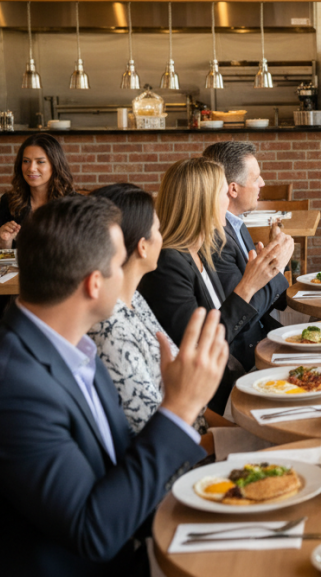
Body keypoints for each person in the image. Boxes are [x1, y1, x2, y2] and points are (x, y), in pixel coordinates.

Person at [0, 194, 227, 576]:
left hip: (141, 537)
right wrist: (179, 408)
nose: (126, 272)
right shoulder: (11, 386)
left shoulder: (77, 349)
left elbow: (122, 467)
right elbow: (92, 532)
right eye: (118, 264)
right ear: (95, 284)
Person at [138, 157, 290, 412]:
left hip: (232, 376)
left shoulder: (199, 252)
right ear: (203, 202)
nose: (227, 201)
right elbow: (198, 347)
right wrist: (248, 286)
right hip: (212, 398)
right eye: (223, 193)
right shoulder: (169, 264)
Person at [86, 183, 209, 437]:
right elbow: (155, 437)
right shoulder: (110, 330)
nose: (162, 238)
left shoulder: (136, 300)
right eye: (158, 229)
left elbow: (192, 409)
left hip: (198, 435)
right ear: (142, 246)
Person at [202, 141, 293, 337]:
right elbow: (243, 318)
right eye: (256, 178)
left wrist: (268, 265)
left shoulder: (237, 224)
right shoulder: (216, 240)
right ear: (233, 189)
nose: (263, 183)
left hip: (266, 327)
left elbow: (267, 300)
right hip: (249, 349)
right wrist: (277, 267)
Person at [0, 132, 75, 248]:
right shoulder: (9, 201)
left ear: (55, 165)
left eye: (40, 162)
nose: (31, 168)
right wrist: (4, 241)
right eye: (26, 161)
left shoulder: (75, 204)